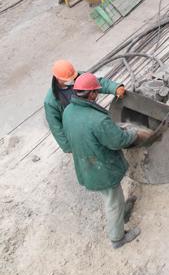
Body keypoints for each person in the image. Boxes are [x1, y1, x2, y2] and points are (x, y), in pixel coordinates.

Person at [62, 73, 154, 249]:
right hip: (100, 167)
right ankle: (117, 238)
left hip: (85, 161)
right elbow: (118, 141)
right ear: (91, 95)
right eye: (96, 92)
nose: (97, 94)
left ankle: (122, 213)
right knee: (113, 201)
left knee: (113, 197)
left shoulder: (68, 111)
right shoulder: (98, 120)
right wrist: (134, 133)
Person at [44, 60, 125, 152]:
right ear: (57, 78)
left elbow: (97, 83)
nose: (71, 81)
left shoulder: (79, 77)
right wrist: (70, 147)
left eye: (72, 78)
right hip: (76, 127)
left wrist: (115, 88)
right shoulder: (51, 101)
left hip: (89, 115)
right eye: (68, 79)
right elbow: (56, 127)